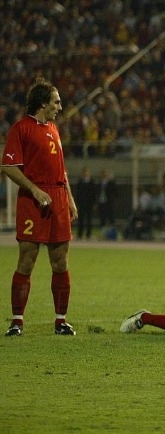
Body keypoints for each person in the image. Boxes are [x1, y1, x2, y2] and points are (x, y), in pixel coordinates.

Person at [1, 77, 78, 336]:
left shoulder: (54, 129)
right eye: (56, 102)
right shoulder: (21, 128)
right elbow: (8, 166)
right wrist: (34, 189)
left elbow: (62, 171)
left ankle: (61, 321)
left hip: (58, 199)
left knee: (60, 262)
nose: (60, 106)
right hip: (32, 200)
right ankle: (17, 322)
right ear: (43, 103)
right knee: (27, 260)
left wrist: (70, 199)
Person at [74, 167, 97, 240]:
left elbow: (94, 194)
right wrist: (77, 203)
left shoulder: (92, 182)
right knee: (81, 219)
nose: (85, 173)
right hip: (81, 203)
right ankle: (80, 234)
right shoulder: (80, 182)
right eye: (84, 172)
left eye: (87, 172)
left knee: (89, 219)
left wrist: (94, 203)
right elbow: (78, 193)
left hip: (89, 203)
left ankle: (88, 234)